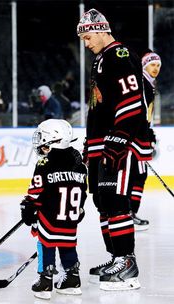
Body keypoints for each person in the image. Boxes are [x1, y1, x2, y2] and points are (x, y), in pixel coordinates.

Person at [77, 9, 153, 290]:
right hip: (102, 143)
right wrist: (90, 145)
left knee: (116, 199)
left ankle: (127, 262)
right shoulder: (101, 58)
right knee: (103, 201)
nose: (86, 43)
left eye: (87, 37)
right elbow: (100, 108)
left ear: (101, 30)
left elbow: (132, 101)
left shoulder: (118, 55)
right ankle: (115, 257)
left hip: (119, 143)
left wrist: (120, 138)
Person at [20, 119, 87, 300]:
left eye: (42, 139)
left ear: (53, 140)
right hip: (70, 218)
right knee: (67, 244)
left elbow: (35, 192)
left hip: (49, 217)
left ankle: (45, 281)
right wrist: (79, 210)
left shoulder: (45, 164)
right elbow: (83, 194)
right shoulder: (80, 165)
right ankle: (72, 278)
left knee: (45, 242)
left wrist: (27, 207)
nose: (40, 144)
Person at [129, 51, 162, 230]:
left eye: (158, 65)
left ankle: (129, 214)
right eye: (152, 65)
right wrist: (145, 135)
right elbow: (139, 113)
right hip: (135, 137)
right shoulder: (143, 84)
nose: (155, 68)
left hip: (138, 134)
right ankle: (129, 214)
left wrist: (148, 133)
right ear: (144, 66)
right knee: (138, 175)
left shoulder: (149, 84)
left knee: (136, 175)